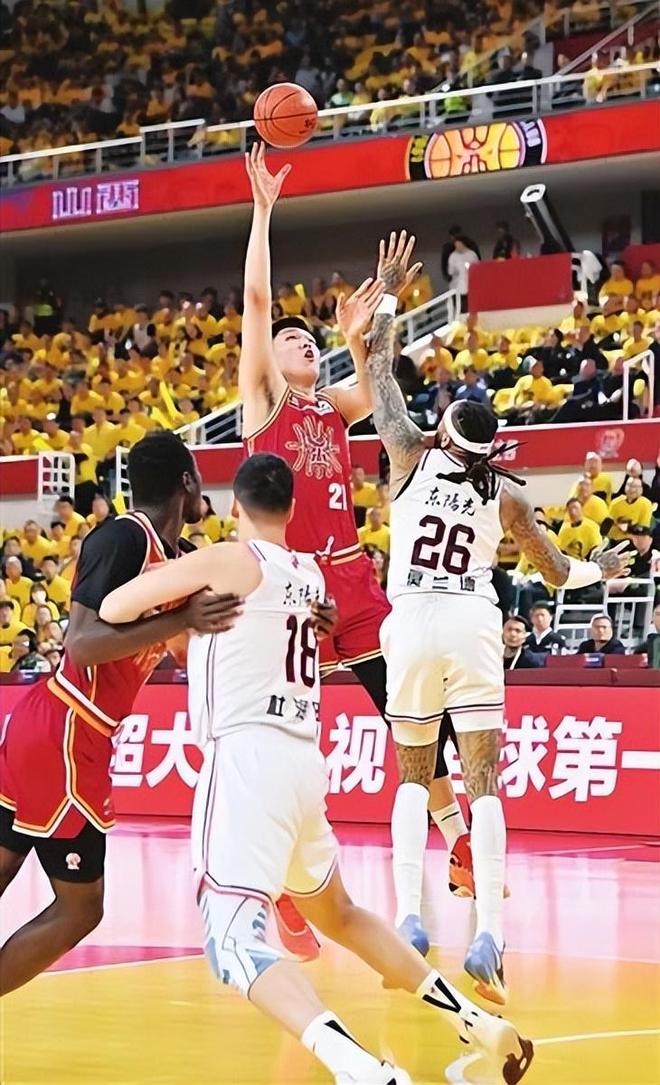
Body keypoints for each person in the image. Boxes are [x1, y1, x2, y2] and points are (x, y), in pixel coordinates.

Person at [100, 452, 534, 1085]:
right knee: (341, 914)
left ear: (235, 506)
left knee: (233, 947)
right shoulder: (309, 574)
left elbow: (114, 607)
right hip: (303, 763)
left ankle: (361, 1070)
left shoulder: (224, 561)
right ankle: (475, 1020)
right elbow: (230, 643)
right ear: (293, 509)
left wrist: (179, 605)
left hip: (246, 760)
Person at [365, 290, 632, 1006]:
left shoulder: (409, 455)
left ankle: (409, 919)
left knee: (413, 777)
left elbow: (378, 370)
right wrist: (599, 569)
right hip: (472, 622)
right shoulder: (508, 496)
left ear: (444, 431)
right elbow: (557, 571)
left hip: (411, 618)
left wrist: (387, 297)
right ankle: (488, 936)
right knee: (481, 780)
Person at [240, 146, 469, 957]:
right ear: (268, 359)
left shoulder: (332, 406)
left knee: (408, 709)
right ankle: (283, 886)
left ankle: (459, 837)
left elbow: (376, 386)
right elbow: (259, 299)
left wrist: (361, 331)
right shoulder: (263, 402)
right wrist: (263, 210)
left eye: (308, 338)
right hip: (289, 592)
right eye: (289, 338)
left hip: (353, 580)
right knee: (284, 740)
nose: (299, 340)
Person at [0, 433, 242, 995]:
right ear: (188, 482)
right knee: (81, 908)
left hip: (55, 728)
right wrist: (181, 620)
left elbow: (182, 649)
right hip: (69, 728)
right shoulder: (122, 537)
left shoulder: (179, 559)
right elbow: (82, 644)